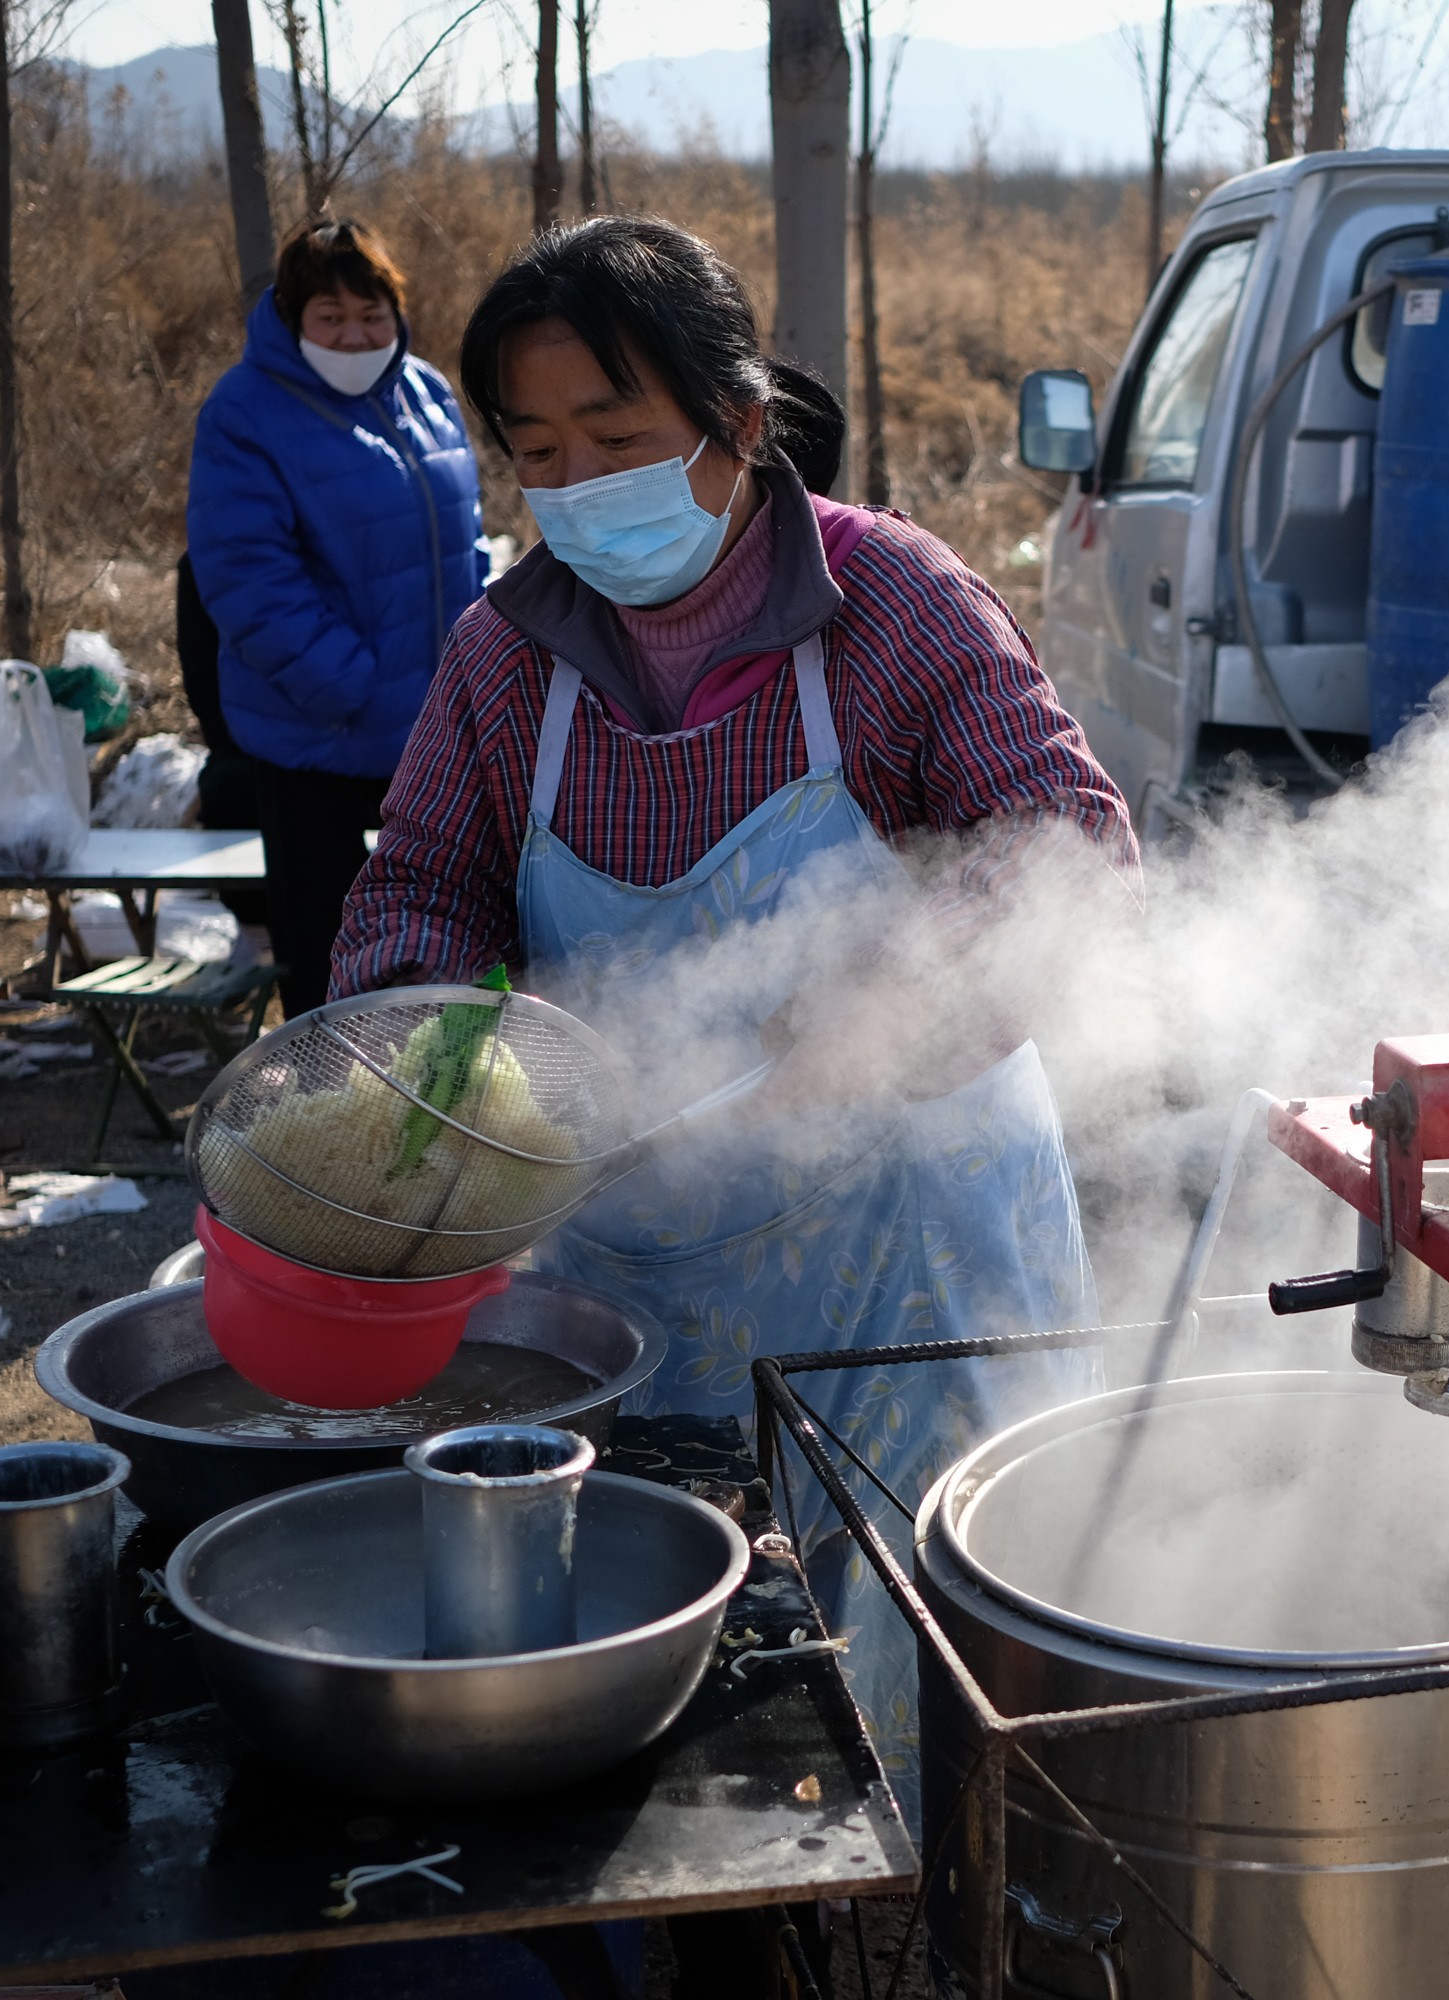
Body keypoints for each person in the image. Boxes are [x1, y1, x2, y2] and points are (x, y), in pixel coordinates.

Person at [330, 216, 1138, 1808]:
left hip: (914, 1261)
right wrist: (439, 1042)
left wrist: (903, 995)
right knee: (697, 1718)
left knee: (941, 1685)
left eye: (618, 436)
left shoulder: (892, 604)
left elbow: (1069, 847)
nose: (577, 485)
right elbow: (419, 887)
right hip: (642, 1266)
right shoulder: (505, 659)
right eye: (538, 452)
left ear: (740, 422)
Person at [186, 217, 485, 1013]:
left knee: (439, 940)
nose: (354, 337)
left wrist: (481, 655)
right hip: (318, 737)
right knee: (328, 959)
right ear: (294, 318)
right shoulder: (245, 411)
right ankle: (328, 1087)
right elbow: (246, 576)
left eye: (371, 315)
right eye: (331, 317)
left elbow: (466, 539)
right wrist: (353, 685)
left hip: (433, 736)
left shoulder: (426, 393)